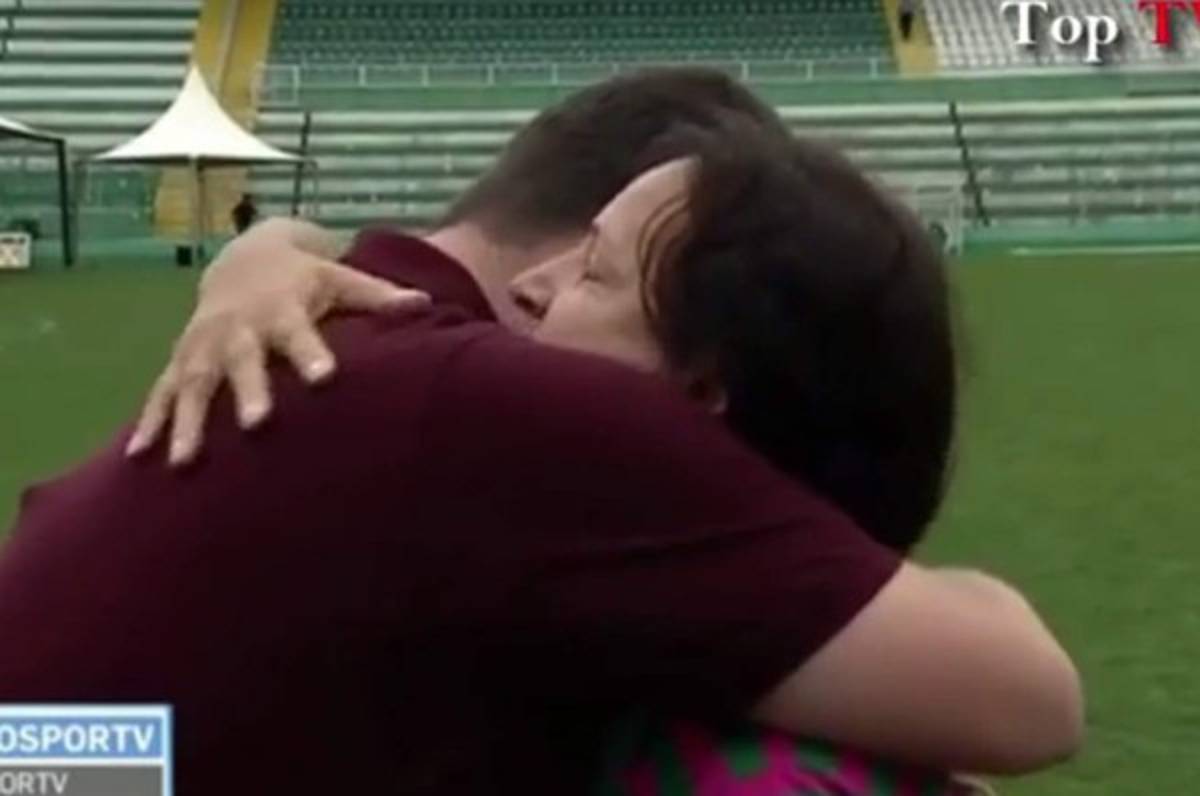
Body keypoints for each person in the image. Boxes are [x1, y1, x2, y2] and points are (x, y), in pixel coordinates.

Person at [1, 70, 1080, 795]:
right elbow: (1026, 701)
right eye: (599, 254)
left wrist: (265, 244)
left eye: (597, 274)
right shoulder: (516, 406)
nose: (538, 289)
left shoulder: (348, 327)